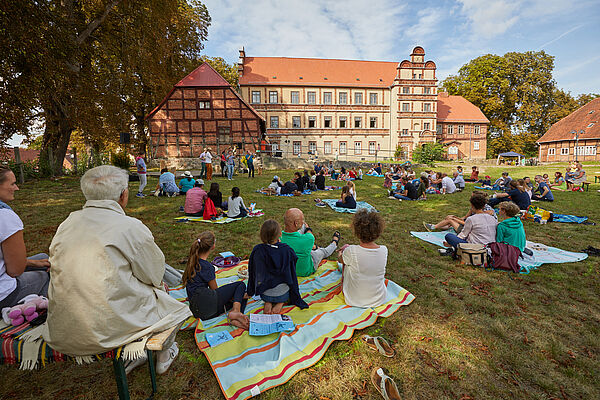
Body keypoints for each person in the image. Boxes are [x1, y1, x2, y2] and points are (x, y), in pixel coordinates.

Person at [45, 166, 191, 374]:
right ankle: (164, 353)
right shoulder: (129, 226)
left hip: (64, 329)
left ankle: (138, 354)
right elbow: (155, 274)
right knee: (169, 302)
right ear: (123, 195)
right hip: (107, 329)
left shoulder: (67, 223)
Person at [0, 167, 51, 311]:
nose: (16, 188)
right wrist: (28, 264)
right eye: (12, 184)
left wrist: (33, 262)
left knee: (43, 258)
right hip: (3, 295)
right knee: (47, 273)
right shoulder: (5, 217)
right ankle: (38, 317)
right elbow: (15, 270)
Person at [183, 231, 248, 329]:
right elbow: (215, 290)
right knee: (240, 286)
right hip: (208, 306)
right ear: (213, 246)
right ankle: (236, 312)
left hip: (198, 311)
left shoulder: (191, 263)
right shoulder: (207, 267)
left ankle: (236, 318)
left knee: (239, 297)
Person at [247, 220, 308, 314]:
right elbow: (292, 271)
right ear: (280, 234)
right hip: (282, 294)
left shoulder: (258, 250)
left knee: (269, 289)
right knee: (282, 289)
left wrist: (250, 291)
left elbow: (252, 272)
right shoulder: (287, 250)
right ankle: (280, 303)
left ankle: (268, 303)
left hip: (264, 293)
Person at [338, 210, 387, 308]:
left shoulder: (351, 251)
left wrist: (341, 252)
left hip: (355, 299)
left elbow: (340, 260)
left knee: (347, 264)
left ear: (357, 231)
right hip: (378, 299)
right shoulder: (384, 250)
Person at [280, 208, 340, 277]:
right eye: (302, 220)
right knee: (323, 252)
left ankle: (314, 247)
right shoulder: (309, 238)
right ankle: (334, 243)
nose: (303, 222)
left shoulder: (277, 237)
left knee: (301, 232)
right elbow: (309, 234)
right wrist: (308, 228)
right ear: (296, 223)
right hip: (305, 271)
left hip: (287, 270)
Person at [424, 191, 496, 232]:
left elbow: (469, 223)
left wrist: (454, 219)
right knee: (450, 219)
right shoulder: (475, 208)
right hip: (471, 227)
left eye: (472, 197)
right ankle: (435, 227)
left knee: (451, 220)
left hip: (473, 230)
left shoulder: (487, 212)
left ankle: (434, 227)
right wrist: (455, 217)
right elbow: (465, 218)